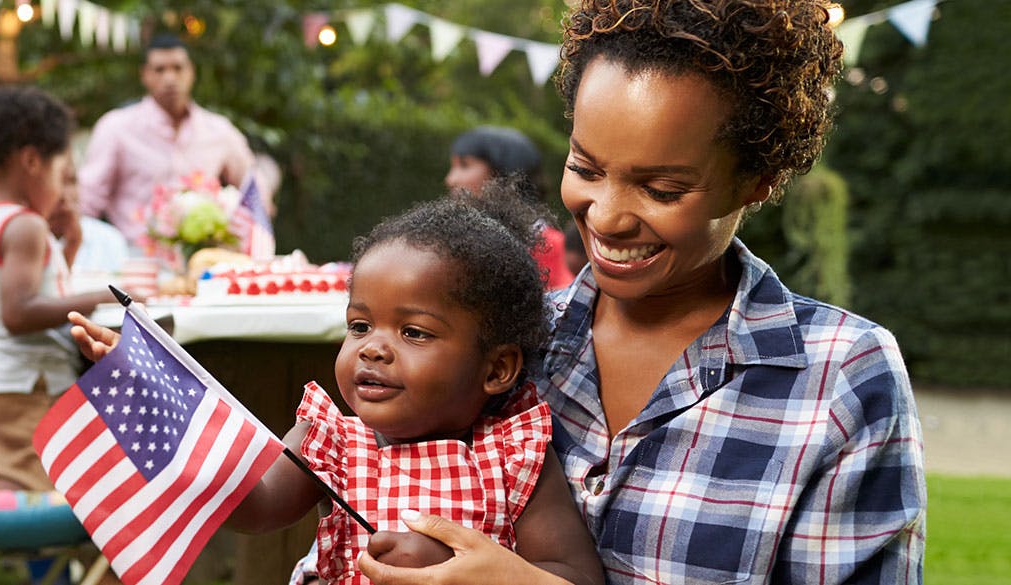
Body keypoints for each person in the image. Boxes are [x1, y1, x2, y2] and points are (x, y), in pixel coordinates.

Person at [358, 1, 925, 583]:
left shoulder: (842, 378)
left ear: (757, 179)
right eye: (586, 167)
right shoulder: (494, 347)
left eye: (661, 188)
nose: (606, 217)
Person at [69, 187, 604, 585]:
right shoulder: (332, 441)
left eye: (413, 332)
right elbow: (253, 507)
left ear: (496, 369)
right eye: (359, 325)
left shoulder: (514, 455)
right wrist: (148, 398)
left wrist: (458, 568)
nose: (372, 348)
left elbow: (571, 575)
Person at [0, 86, 115, 491]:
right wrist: (105, 297)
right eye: (61, 175)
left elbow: (35, 293)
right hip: (29, 387)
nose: (64, 192)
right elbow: (19, 312)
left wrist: (71, 247)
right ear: (31, 161)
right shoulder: (25, 224)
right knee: (49, 491)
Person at [78, 34, 256, 245]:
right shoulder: (116, 128)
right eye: (160, 70)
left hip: (205, 260)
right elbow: (87, 200)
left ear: (191, 72)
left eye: (178, 68)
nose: (170, 78)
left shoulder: (219, 130)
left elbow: (253, 189)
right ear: (145, 75)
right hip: (137, 261)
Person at [446, 126, 575, 290]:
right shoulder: (455, 237)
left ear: (502, 173)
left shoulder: (548, 243)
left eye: (464, 165)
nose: (450, 179)